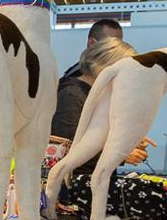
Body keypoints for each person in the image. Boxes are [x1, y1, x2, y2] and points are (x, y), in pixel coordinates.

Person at [50, 37, 152, 174]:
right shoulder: (71, 95)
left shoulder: (95, 94)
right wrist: (120, 155)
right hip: (75, 182)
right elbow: (68, 148)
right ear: (108, 67)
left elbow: (97, 137)